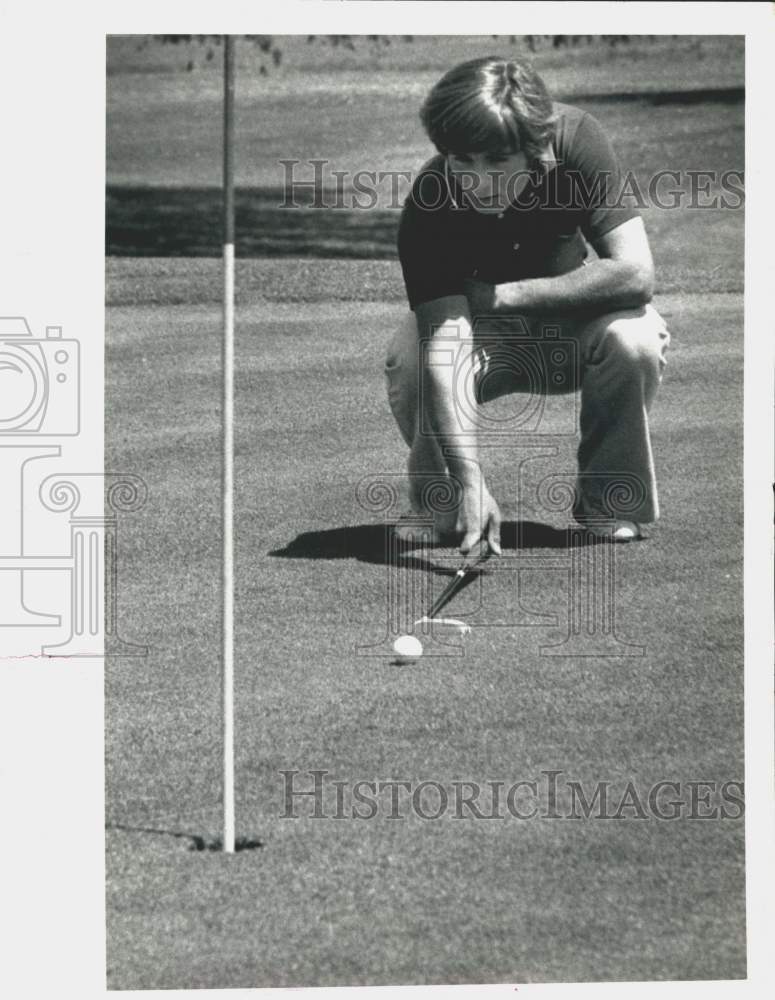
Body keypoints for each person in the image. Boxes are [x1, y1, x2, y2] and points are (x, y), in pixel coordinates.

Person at [386, 55, 670, 555]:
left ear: (534, 149)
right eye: (462, 161)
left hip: (568, 327)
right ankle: (447, 500)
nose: (477, 179)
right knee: (411, 354)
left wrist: (502, 295)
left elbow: (635, 273)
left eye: (496, 161)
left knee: (636, 337)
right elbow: (446, 344)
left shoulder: (577, 140)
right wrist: (473, 478)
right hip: (483, 338)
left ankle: (607, 501)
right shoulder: (430, 201)